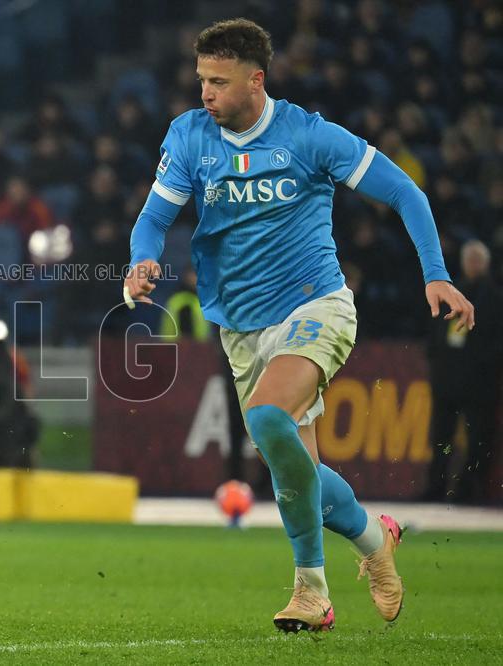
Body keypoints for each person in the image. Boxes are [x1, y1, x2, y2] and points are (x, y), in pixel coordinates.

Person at [124, 18, 475, 633]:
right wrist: (142, 259)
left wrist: (436, 274)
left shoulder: (309, 138)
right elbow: (153, 217)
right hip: (240, 328)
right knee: (296, 472)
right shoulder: (188, 137)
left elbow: (406, 194)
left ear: (255, 81)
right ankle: (374, 537)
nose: (204, 93)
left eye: (218, 82)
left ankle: (311, 594)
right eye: (201, 79)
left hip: (316, 308)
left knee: (267, 419)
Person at [425, 240, 502, 503]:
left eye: (477, 260)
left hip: (479, 383)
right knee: (440, 437)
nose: (473, 265)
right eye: (469, 259)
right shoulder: (451, 293)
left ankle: (471, 492)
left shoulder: (494, 298)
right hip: (448, 379)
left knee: (478, 439)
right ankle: (435, 488)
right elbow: (435, 333)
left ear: (486, 264)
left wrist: (479, 363)